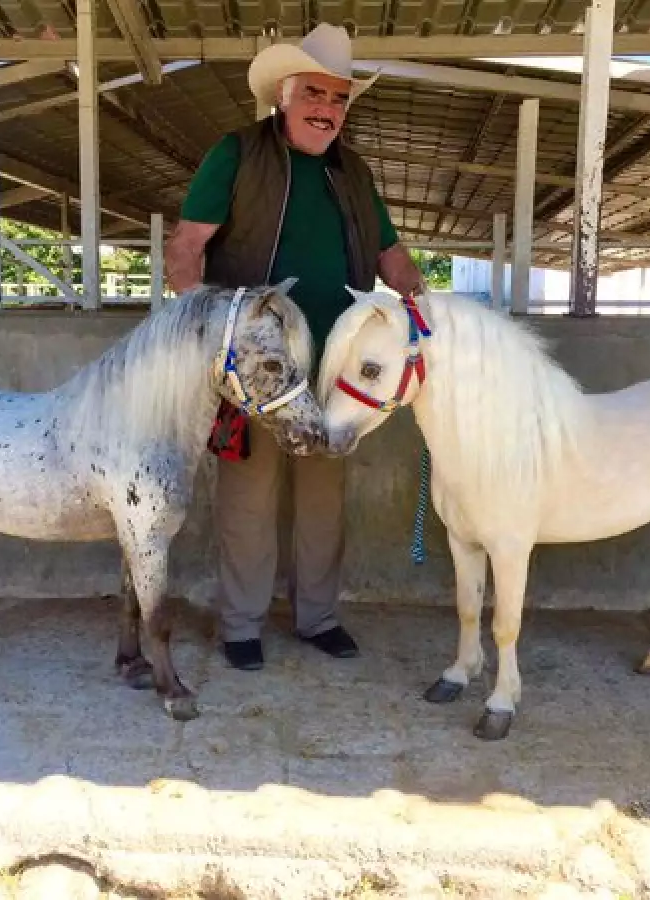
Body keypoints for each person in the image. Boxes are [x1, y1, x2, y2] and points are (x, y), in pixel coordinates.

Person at [164, 22, 426, 671]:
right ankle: (241, 626)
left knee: (323, 496)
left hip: (336, 363)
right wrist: (204, 337)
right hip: (256, 363)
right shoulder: (236, 152)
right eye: (315, 92)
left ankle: (319, 618)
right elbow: (187, 248)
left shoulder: (354, 172)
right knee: (247, 497)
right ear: (284, 93)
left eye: (339, 99)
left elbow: (391, 255)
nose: (327, 109)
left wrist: (423, 308)